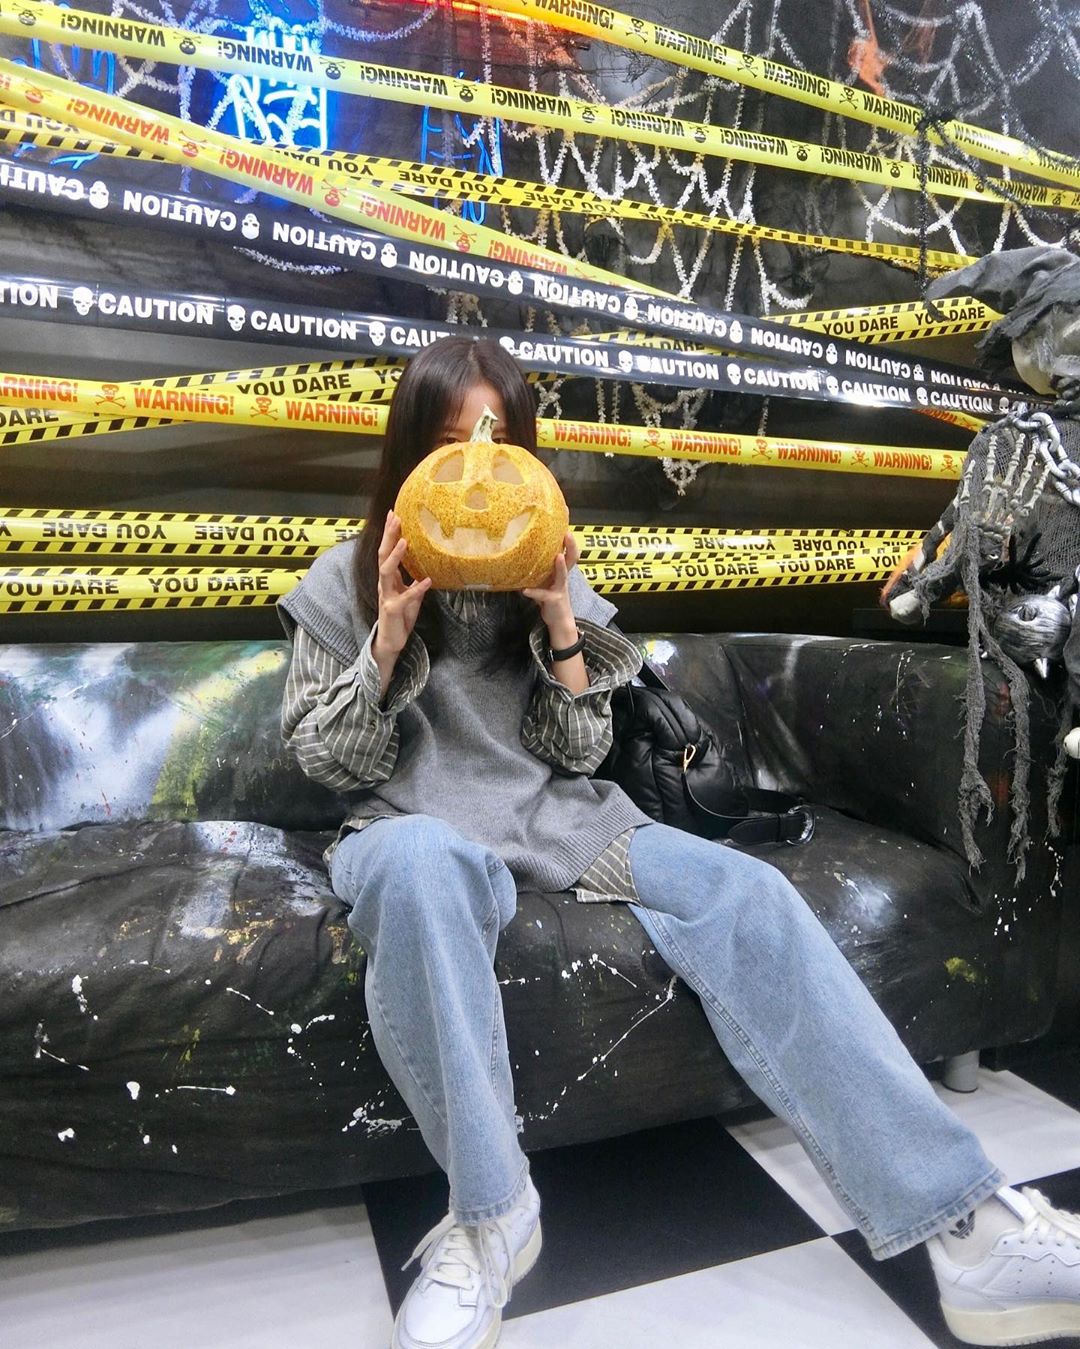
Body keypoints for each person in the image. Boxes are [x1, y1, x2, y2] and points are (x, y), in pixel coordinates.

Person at [279, 335, 1080, 1349]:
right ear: (408, 452)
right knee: (420, 866)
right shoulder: (341, 580)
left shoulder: (543, 564)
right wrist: (389, 638)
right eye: (448, 441)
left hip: (561, 823)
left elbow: (578, 753)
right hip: (408, 829)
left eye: (496, 439)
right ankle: (489, 1217)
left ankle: (969, 1225)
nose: (474, 469)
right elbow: (330, 763)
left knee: (748, 893)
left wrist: (559, 625)